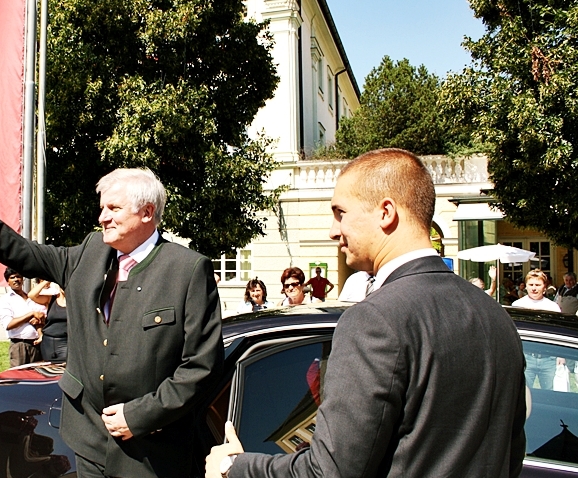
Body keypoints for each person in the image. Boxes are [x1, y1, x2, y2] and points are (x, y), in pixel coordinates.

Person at [207, 148, 526, 478]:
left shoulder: (374, 320)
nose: (333, 230)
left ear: (385, 212)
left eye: (340, 212)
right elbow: (511, 456)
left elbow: (329, 472)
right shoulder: (496, 317)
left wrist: (234, 467)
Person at [0, 140, 223, 478]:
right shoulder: (88, 254)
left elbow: (201, 367)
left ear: (146, 213)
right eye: (102, 208)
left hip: (150, 451)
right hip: (87, 441)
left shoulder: (187, 270)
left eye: (113, 209)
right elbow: (17, 250)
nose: (102, 217)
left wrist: (141, 415)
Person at [0, 268, 48, 367]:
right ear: (8, 281)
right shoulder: (5, 300)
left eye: (18, 277)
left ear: (23, 279)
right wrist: (30, 315)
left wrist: (40, 319)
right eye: (12, 278)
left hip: (37, 345)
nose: (16, 279)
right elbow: (8, 324)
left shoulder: (31, 297)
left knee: (37, 378)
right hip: (20, 346)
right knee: (19, 378)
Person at [40, 285, 69, 362]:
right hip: (48, 342)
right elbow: (32, 295)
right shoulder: (51, 299)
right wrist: (47, 280)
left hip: (64, 341)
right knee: (48, 367)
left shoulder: (73, 302)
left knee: (63, 366)